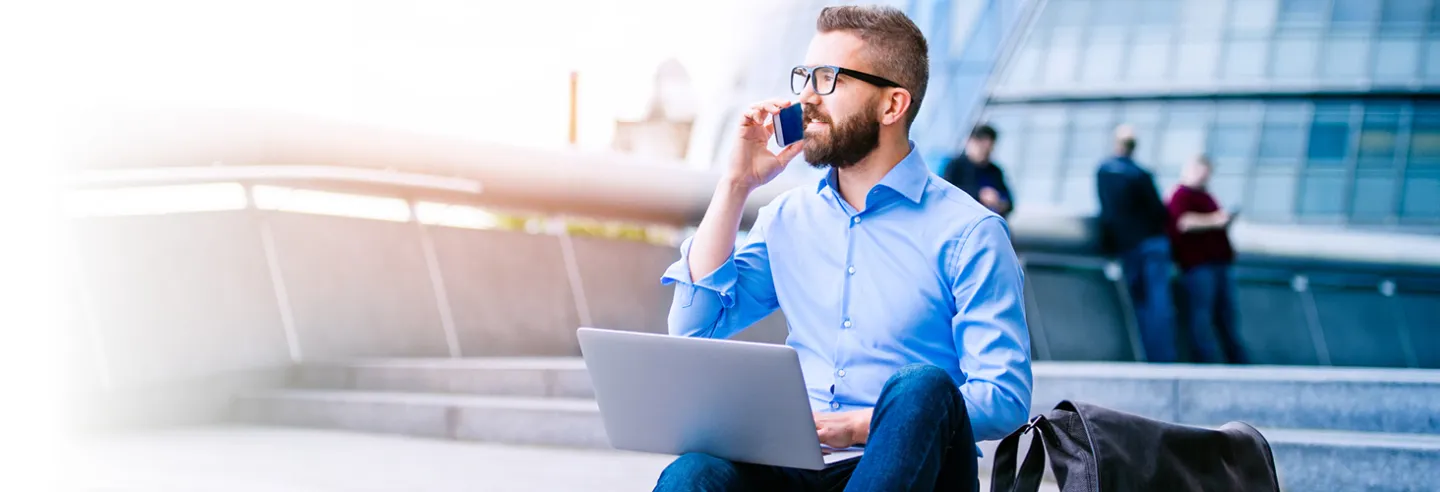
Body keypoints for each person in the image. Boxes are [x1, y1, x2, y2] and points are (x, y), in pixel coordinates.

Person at [655, 5, 1032, 492]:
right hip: (796, 461)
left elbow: (1004, 396)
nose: (807, 98)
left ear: (892, 106)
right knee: (696, 473)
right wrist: (735, 185)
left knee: (922, 386)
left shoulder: (971, 233)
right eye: (804, 76)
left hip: (909, 462)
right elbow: (692, 328)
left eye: (829, 78)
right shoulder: (786, 220)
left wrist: (859, 424)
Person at [1095, 125, 1178, 363]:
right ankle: (1162, 358)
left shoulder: (1105, 171)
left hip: (1127, 246)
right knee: (1158, 304)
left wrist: (1108, 245)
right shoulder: (1141, 174)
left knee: (1140, 304)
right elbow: (1158, 211)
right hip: (1152, 244)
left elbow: (1107, 212)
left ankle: (1149, 357)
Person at [1167, 155, 1245, 364]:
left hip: (1219, 264)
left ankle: (1235, 359)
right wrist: (1215, 220)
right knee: (1201, 316)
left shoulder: (1207, 196)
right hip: (1198, 265)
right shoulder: (1181, 195)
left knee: (1225, 316)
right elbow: (1183, 223)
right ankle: (1204, 360)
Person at [942, 124, 1013, 218]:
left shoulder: (995, 171)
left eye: (989, 148)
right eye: (981, 147)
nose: (985, 152)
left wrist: (1001, 203)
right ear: (970, 142)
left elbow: (1009, 201)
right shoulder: (956, 166)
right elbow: (947, 193)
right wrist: (980, 195)